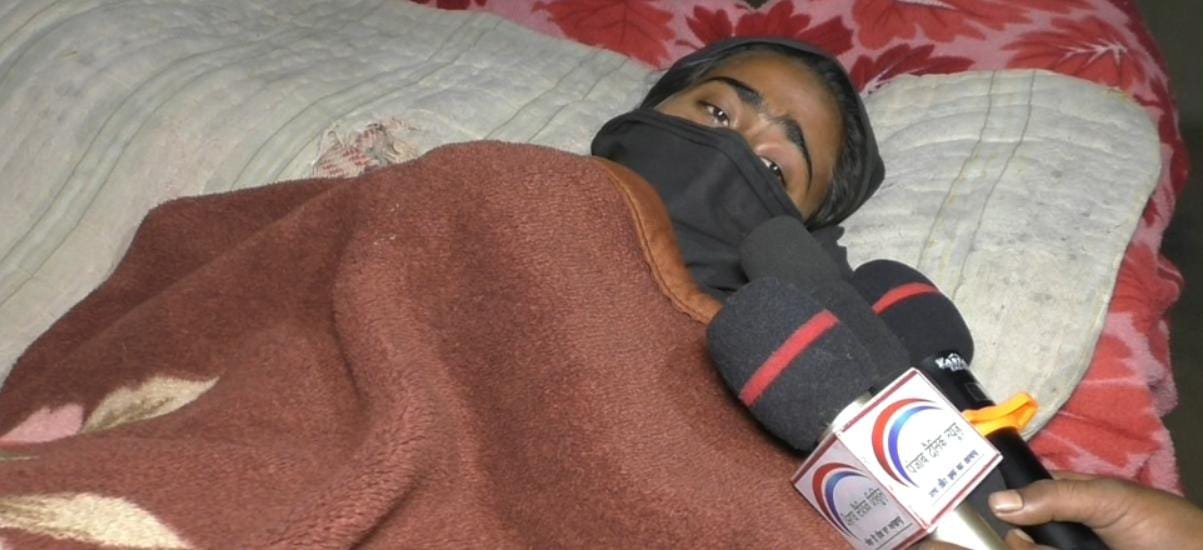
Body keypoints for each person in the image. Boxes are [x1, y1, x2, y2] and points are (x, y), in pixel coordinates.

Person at [592, 37, 884, 297]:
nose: (729, 148)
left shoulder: (770, 339)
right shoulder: (560, 184)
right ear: (657, 103)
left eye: (772, 168)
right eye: (718, 113)